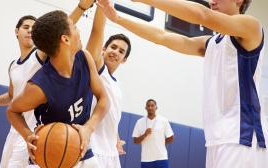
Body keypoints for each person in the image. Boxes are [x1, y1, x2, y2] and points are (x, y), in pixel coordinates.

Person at [97, 0, 267, 167]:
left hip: (242, 136)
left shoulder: (251, 26)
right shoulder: (212, 43)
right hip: (217, 138)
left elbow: (202, 15)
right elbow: (162, 37)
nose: (212, 1)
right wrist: (118, 19)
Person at [0, 1, 97, 168]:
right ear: (16, 31)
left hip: (40, 130)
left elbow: (62, 29)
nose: (30, 29)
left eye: (33, 26)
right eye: (26, 26)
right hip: (18, 128)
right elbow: (11, 97)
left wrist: (81, 8)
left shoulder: (40, 56)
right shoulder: (13, 66)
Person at [6, 9, 109, 168]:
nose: (78, 30)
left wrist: (88, 128)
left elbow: (103, 98)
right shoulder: (40, 86)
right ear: (65, 39)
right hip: (50, 153)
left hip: (82, 150)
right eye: (74, 27)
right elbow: (12, 110)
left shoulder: (85, 58)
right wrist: (27, 135)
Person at [84, 6, 132, 168]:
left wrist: (115, 137)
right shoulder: (97, 69)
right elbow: (97, 31)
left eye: (121, 51)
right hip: (91, 148)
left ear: (124, 60)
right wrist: (103, 6)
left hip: (111, 153)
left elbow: (112, 116)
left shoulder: (117, 85)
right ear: (103, 49)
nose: (116, 52)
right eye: (113, 47)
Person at [132, 99, 174, 168]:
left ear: (156, 107)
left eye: (152, 106)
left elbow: (171, 138)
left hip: (161, 158)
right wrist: (145, 134)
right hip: (146, 159)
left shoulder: (164, 121)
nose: (150, 107)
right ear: (146, 108)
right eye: (148, 106)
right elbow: (135, 141)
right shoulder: (139, 122)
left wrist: (161, 142)